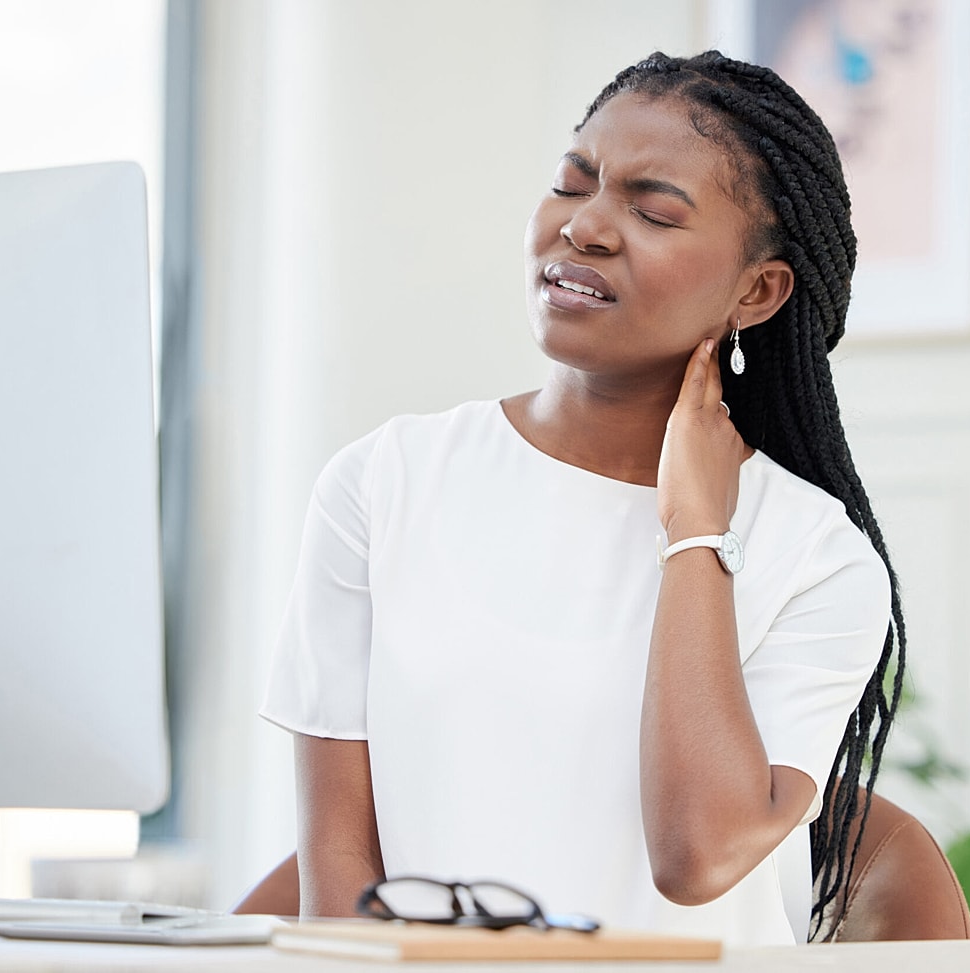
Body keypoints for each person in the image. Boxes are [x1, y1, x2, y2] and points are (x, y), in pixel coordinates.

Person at [259, 50, 909, 947]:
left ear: (757, 292)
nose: (587, 227)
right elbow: (337, 878)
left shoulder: (817, 555)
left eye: (652, 211)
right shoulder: (382, 481)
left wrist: (695, 534)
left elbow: (699, 853)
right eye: (573, 184)